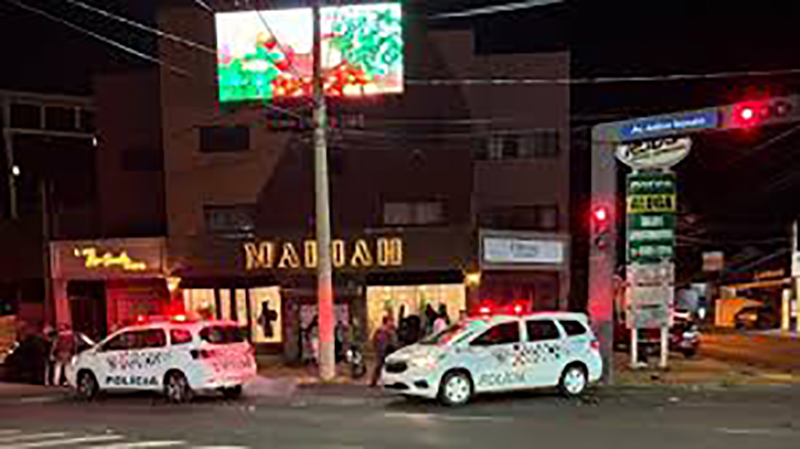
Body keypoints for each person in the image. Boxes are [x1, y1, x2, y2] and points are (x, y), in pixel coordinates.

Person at [370, 315, 398, 387]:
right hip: (384, 350)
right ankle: (375, 381)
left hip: (387, 350)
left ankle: (379, 381)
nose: (391, 322)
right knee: (380, 365)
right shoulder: (382, 330)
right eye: (390, 321)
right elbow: (375, 340)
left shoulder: (390, 330)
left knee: (382, 366)